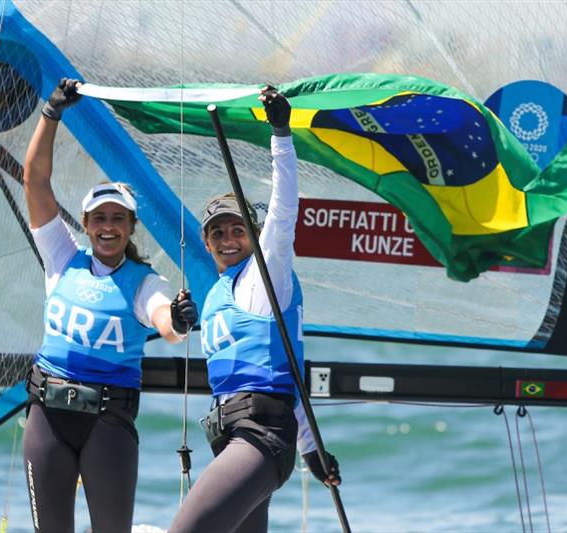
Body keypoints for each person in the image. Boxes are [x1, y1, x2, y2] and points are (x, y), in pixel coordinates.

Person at [21, 78, 198, 533]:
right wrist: (51, 113)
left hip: (108, 424)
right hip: (48, 417)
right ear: (84, 223)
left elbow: (166, 320)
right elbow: (34, 180)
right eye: (99, 218)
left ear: (130, 227)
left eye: (118, 219)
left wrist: (176, 320)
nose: (107, 227)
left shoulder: (144, 282)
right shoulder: (62, 258)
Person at [168, 87, 340, 533]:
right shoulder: (217, 295)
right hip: (233, 440)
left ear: (254, 233)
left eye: (238, 229)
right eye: (218, 232)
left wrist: (280, 134)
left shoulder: (268, 275)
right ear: (206, 244)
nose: (228, 238)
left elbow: (284, 213)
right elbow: (289, 374)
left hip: (259, 440)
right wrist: (309, 450)